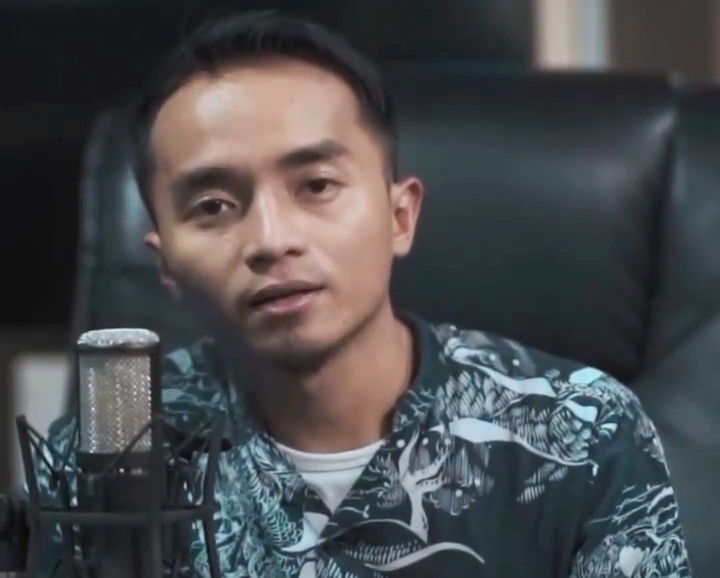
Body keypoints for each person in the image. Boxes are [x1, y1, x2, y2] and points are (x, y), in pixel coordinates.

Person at [34, 10, 691, 578]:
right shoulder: (105, 458)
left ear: (400, 216)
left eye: (316, 185)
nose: (272, 239)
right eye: (213, 206)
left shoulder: (587, 434)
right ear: (166, 265)